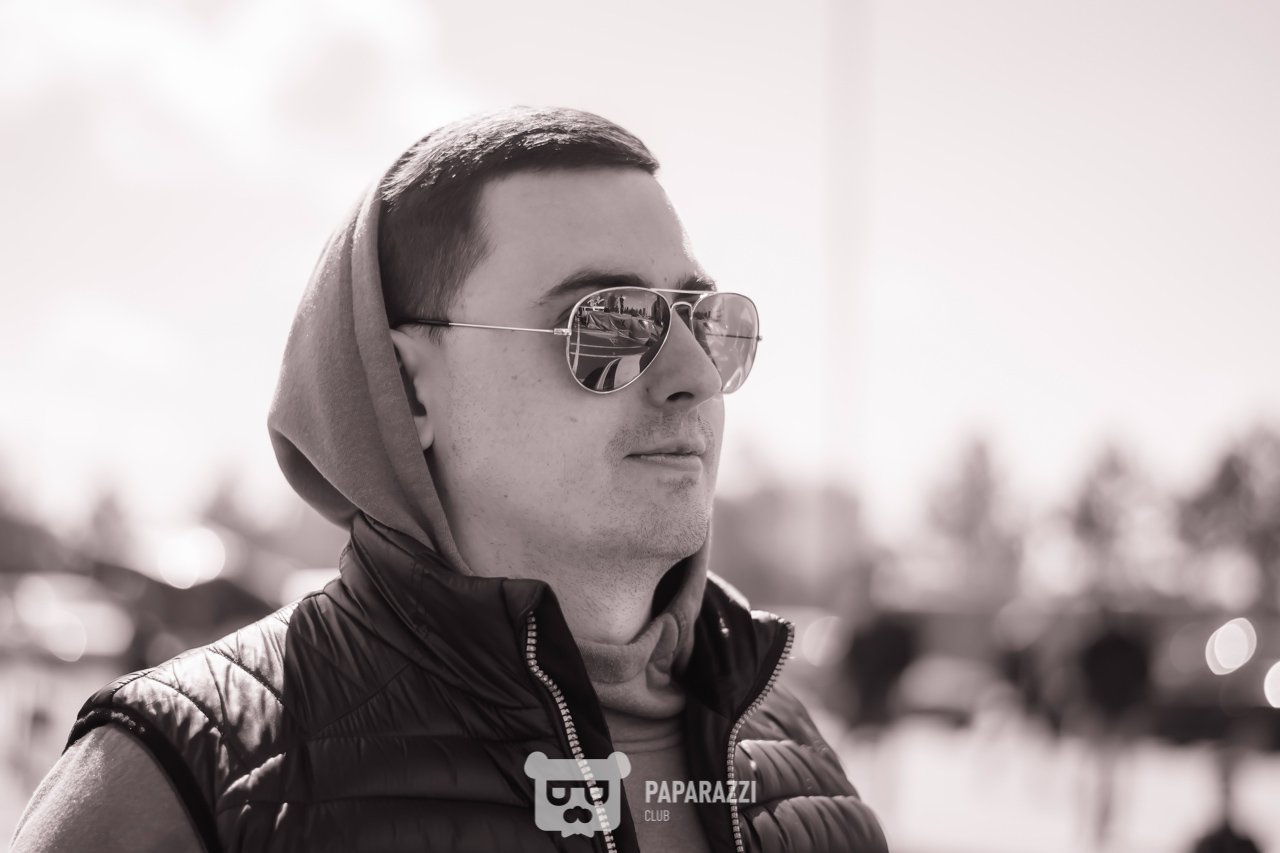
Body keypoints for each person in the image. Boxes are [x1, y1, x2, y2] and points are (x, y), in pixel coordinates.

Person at [12, 107, 887, 852]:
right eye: (610, 322)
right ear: (407, 387)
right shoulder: (186, 778)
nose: (694, 374)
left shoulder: (800, 764)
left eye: (703, 319)